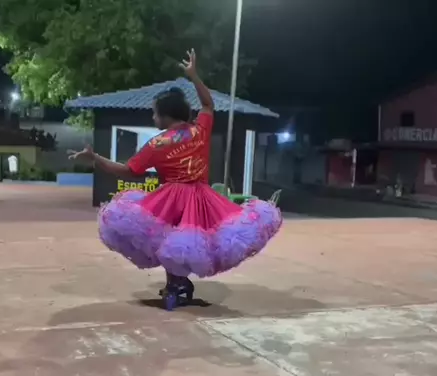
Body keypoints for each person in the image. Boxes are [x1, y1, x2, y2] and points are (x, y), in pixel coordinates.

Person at [68, 49, 282, 310]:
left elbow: (128, 171)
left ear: (165, 116)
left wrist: (96, 158)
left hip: (171, 199)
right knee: (188, 242)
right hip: (200, 197)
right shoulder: (199, 130)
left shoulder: (157, 144)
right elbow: (208, 105)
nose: (153, 118)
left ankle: (177, 286)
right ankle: (178, 284)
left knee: (171, 240)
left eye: (154, 113)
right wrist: (194, 76)